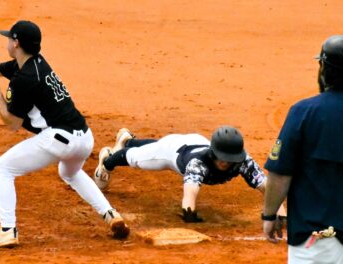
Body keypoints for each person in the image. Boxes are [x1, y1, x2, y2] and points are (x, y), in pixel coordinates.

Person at [0, 20, 129, 248]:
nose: (6, 42)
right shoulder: (33, 63)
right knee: (70, 173)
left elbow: (12, 123)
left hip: (58, 139)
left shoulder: (24, 79)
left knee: (2, 169)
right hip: (83, 137)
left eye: (8, 38)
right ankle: (111, 215)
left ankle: (8, 230)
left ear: (16, 43)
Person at [94, 125, 285, 222]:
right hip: (171, 154)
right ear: (214, 153)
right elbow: (190, 192)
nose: (226, 162)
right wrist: (190, 213)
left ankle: (127, 140)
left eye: (230, 158)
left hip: (194, 141)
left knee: (159, 143)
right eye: (222, 157)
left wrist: (281, 213)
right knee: (137, 159)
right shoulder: (198, 164)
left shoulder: (242, 161)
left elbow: (265, 185)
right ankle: (108, 161)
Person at [263, 35, 343, 263]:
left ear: (324, 69)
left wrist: (270, 214)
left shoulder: (304, 112)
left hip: (316, 238)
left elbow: (280, 173)